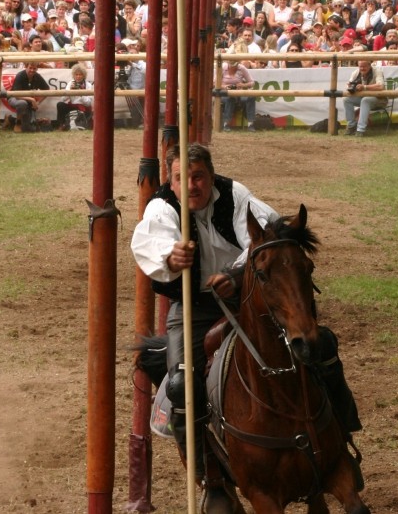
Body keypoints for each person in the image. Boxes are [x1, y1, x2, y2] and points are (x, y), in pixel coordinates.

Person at [131, 143, 363, 511]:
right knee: (180, 385)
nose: (191, 185)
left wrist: (235, 275)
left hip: (248, 296)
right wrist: (171, 257)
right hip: (193, 306)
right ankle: (212, 478)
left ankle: (342, 438)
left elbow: (267, 234)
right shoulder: (161, 207)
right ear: (170, 181)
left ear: (211, 176)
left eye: (198, 176)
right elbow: (152, 243)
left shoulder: (236, 195)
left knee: (320, 346)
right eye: (181, 178)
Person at [343, 60, 386, 137]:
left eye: (364, 66)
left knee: (365, 100)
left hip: (380, 99)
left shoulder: (377, 71)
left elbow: (381, 86)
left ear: (369, 65)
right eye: (360, 66)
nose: (362, 68)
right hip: (364, 99)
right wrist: (350, 87)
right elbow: (349, 86)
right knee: (346, 100)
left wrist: (364, 87)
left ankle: (360, 130)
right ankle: (351, 126)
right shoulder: (355, 73)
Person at [6, 61, 49, 133]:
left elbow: (47, 90)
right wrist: (32, 100)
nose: (32, 70)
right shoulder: (20, 75)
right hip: (14, 98)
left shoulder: (37, 76)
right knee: (22, 103)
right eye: (30, 68)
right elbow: (16, 95)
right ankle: (18, 123)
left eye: (34, 68)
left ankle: (10, 119)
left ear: (37, 69)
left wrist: (38, 102)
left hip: (28, 101)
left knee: (27, 129)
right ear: (26, 67)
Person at [220, 60, 256, 132]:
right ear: (228, 64)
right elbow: (215, 83)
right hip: (224, 94)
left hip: (239, 93)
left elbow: (252, 82)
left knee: (251, 97)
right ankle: (226, 124)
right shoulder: (222, 67)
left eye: (235, 65)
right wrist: (225, 87)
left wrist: (243, 85)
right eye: (232, 65)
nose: (234, 67)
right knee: (230, 98)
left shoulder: (241, 68)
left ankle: (250, 124)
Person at [55, 63, 92, 131]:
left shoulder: (88, 85)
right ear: (74, 75)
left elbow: (88, 103)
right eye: (76, 74)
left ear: (84, 75)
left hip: (83, 108)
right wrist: (70, 92)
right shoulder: (70, 83)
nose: (78, 76)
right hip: (72, 106)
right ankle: (61, 125)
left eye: (80, 74)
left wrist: (80, 93)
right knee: (60, 104)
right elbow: (63, 99)